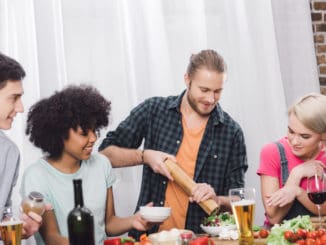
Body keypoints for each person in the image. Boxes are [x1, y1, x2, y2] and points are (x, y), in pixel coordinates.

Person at [99, 49, 248, 238]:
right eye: (204, 90)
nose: (211, 99)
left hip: (199, 240)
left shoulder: (232, 132)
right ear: (187, 79)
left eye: (218, 91)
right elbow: (105, 155)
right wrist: (145, 156)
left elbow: (240, 197)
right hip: (148, 238)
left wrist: (217, 199)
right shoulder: (153, 111)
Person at [20, 85, 152, 245]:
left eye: (95, 130)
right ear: (60, 133)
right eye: (84, 133)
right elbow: (51, 237)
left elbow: (108, 224)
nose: (93, 138)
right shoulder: (36, 175)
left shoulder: (102, 164)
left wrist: (134, 220)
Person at [257, 93, 326, 227]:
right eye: (291, 131)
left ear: (322, 136)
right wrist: (296, 175)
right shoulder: (272, 152)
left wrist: (298, 192)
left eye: (304, 136)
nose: (294, 141)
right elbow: (274, 217)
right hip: (281, 237)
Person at [0, 52, 46, 239]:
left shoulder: (8, 152)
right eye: (14, 98)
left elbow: (3, 217)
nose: (21, 108)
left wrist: (19, 229)